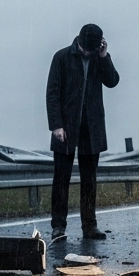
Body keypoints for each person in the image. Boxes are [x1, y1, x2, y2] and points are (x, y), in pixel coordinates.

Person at [45, 23, 120, 242]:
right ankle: (58, 227)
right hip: (66, 126)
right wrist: (56, 125)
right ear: (79, 42)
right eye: (86, 49)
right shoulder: (61, 57)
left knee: (89, 180)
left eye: (93, 49)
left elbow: (113, 81)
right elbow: (52, 93)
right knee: (61, 179)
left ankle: (90, 227)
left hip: (91, 126)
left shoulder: (99, 56)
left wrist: (105, 57)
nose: (88, 52)